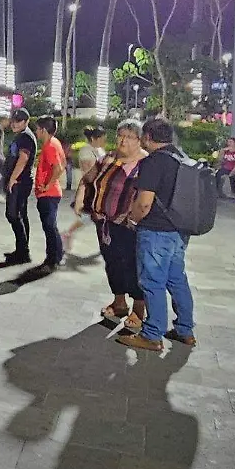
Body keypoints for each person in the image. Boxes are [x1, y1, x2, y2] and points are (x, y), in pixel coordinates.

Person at [119, 118, 197, 352]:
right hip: (179, 229)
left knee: (152, 281)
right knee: (177, 279)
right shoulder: (181, 158)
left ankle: (152, 334)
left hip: (156, 231)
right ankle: (185, 330)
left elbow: (144, 203)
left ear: (148, 137)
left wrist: (132, 219)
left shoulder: (154, 162)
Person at [80, 119, 147, 328]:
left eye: (129, 137)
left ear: (139, 140)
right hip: (105, 222)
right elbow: (89, 178)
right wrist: (82, 197)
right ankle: (119, 302)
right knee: (113, 262)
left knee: (133, 265)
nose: (123, 141)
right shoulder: (108, 158)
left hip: (132, 226)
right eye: (120, 135)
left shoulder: (146, 163)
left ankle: (138, 309)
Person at [3, 108, 37, 266]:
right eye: (13, 120)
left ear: (26, 122)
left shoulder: (25, 137)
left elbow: (23, 159)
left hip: (20, 182)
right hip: (20, 181)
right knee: (20, 215)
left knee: (13, 215)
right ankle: (22, 250)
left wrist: (12, 179)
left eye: (18, 121)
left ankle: (24, 252)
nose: (14, 123)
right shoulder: (22, 136)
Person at [64, 127, 107, 251]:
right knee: (90, 217)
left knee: (96, 217)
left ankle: (105, 242)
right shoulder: (86, 151)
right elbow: (88, 172)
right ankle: (68, 233)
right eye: (101, 139)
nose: (103, 142)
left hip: (100, 188)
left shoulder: (99, 150)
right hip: (91, 189)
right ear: (93, 139)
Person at [33, 116, 67, 270]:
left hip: (49, 194)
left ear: (44, 130)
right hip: (49, 193)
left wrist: (48, 185)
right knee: (50, 226)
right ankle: (57, 255)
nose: (36, 132)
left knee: (49, 227)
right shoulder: (54, 143)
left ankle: (52, 258)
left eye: (38, 129)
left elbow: (59, 168)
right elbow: (63, 164)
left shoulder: (50, 147)